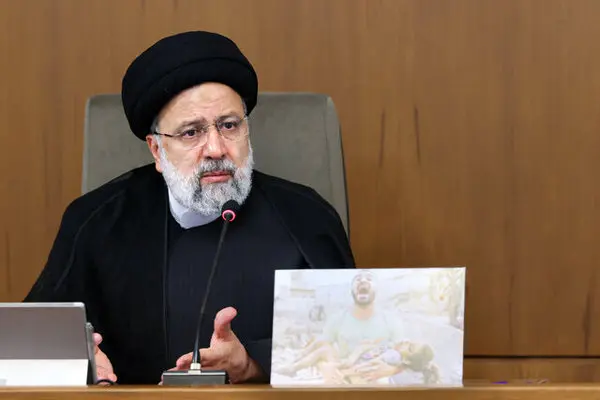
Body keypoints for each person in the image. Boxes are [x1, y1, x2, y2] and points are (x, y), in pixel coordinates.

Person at [24, 31, 355, 385]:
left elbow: (356, 350)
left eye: (229, 125)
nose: (215, 149)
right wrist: (77, 360)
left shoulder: (306, 217)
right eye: (191, 133)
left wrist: (253, 364)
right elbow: (26, 345)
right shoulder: (96, 222)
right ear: (156, 150)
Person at [274, 270, 404, 383]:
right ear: (352, 290)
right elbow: (321, 348)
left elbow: (409, 355)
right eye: (358, 279)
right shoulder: (337, 318)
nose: (363, 281)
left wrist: (393, 370)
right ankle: (293, 366)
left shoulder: (391, 320)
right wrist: (323, 367)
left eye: (369, 279)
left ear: (377, 290)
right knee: (324, 349)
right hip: (342, 371)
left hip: (372, 375)